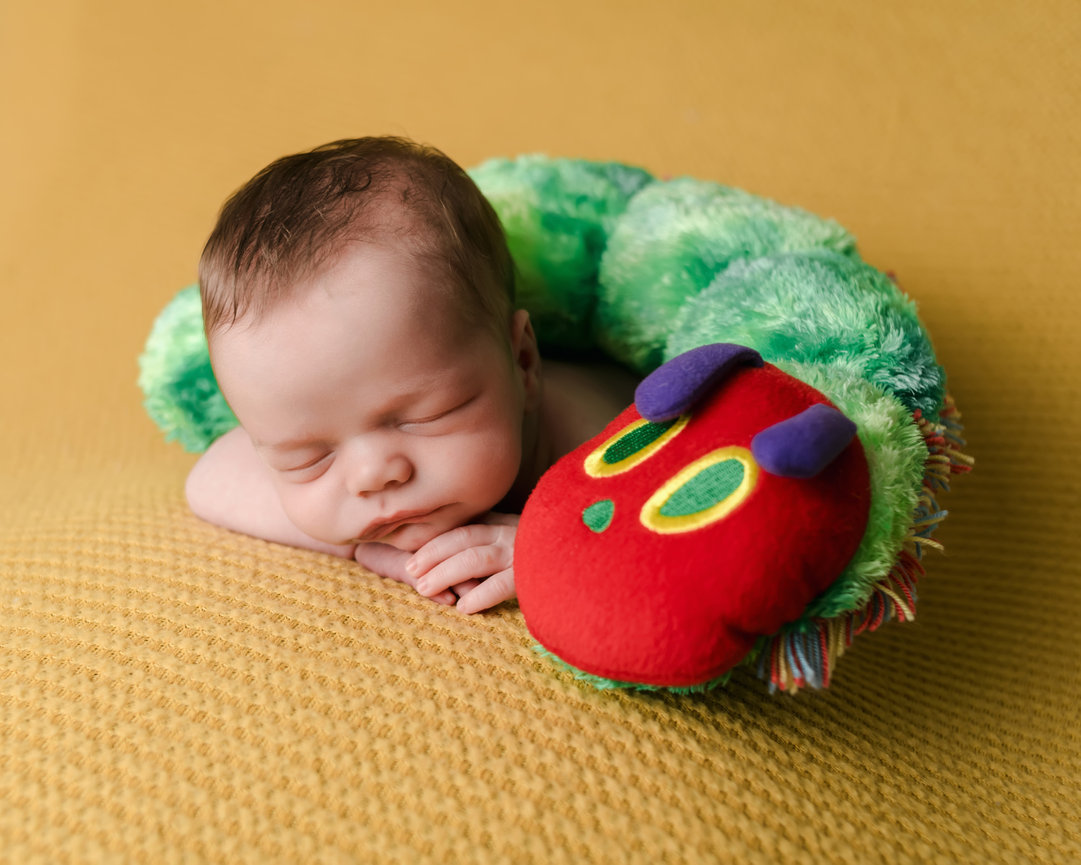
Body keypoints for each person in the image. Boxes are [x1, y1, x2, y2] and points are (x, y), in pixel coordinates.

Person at [185, 136, 638, 614]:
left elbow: (690, 519)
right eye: (308, 458)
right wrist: (362, 547)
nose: (371, 475)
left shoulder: (601, 434)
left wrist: (561, 542)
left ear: (523, 363)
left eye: (421, 417)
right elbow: (208, 478)